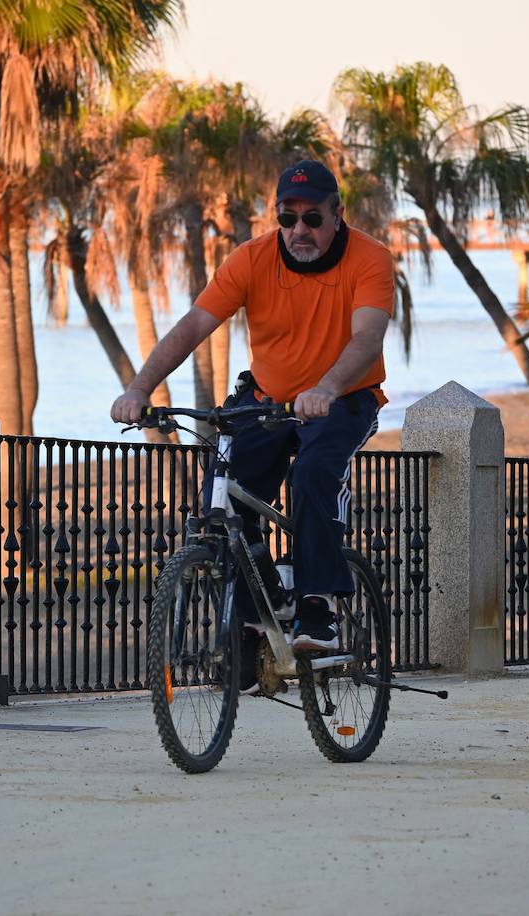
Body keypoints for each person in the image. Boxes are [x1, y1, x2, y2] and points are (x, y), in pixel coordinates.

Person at [110, 159, 395, 655]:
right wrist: (139, 388)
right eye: (287, 218)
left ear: (337, 214)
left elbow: (368, 339)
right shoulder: (252, 259)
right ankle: (255, 618)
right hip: (266, 398)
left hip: (344, 398)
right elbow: (195, 326)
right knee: (224, 493)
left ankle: (317, 606)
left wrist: (326, 388)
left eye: (312, 219)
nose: (298, 230)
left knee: (311, 476)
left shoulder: (370, 258)